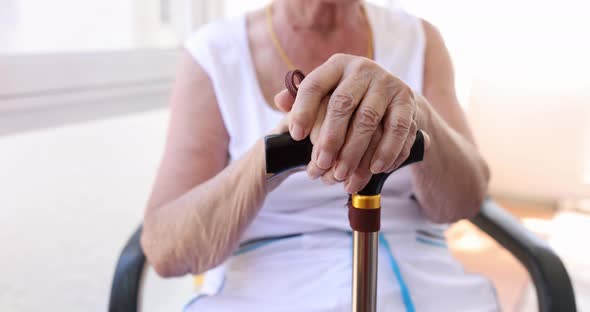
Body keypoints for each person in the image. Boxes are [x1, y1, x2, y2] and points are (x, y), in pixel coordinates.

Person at [140, 0, 497, 311]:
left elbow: (466, 199)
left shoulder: (419, 38)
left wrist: (413, 109)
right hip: (266, 286)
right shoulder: (215, 52)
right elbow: (168, 249)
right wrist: (271, 155)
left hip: (421, 279)